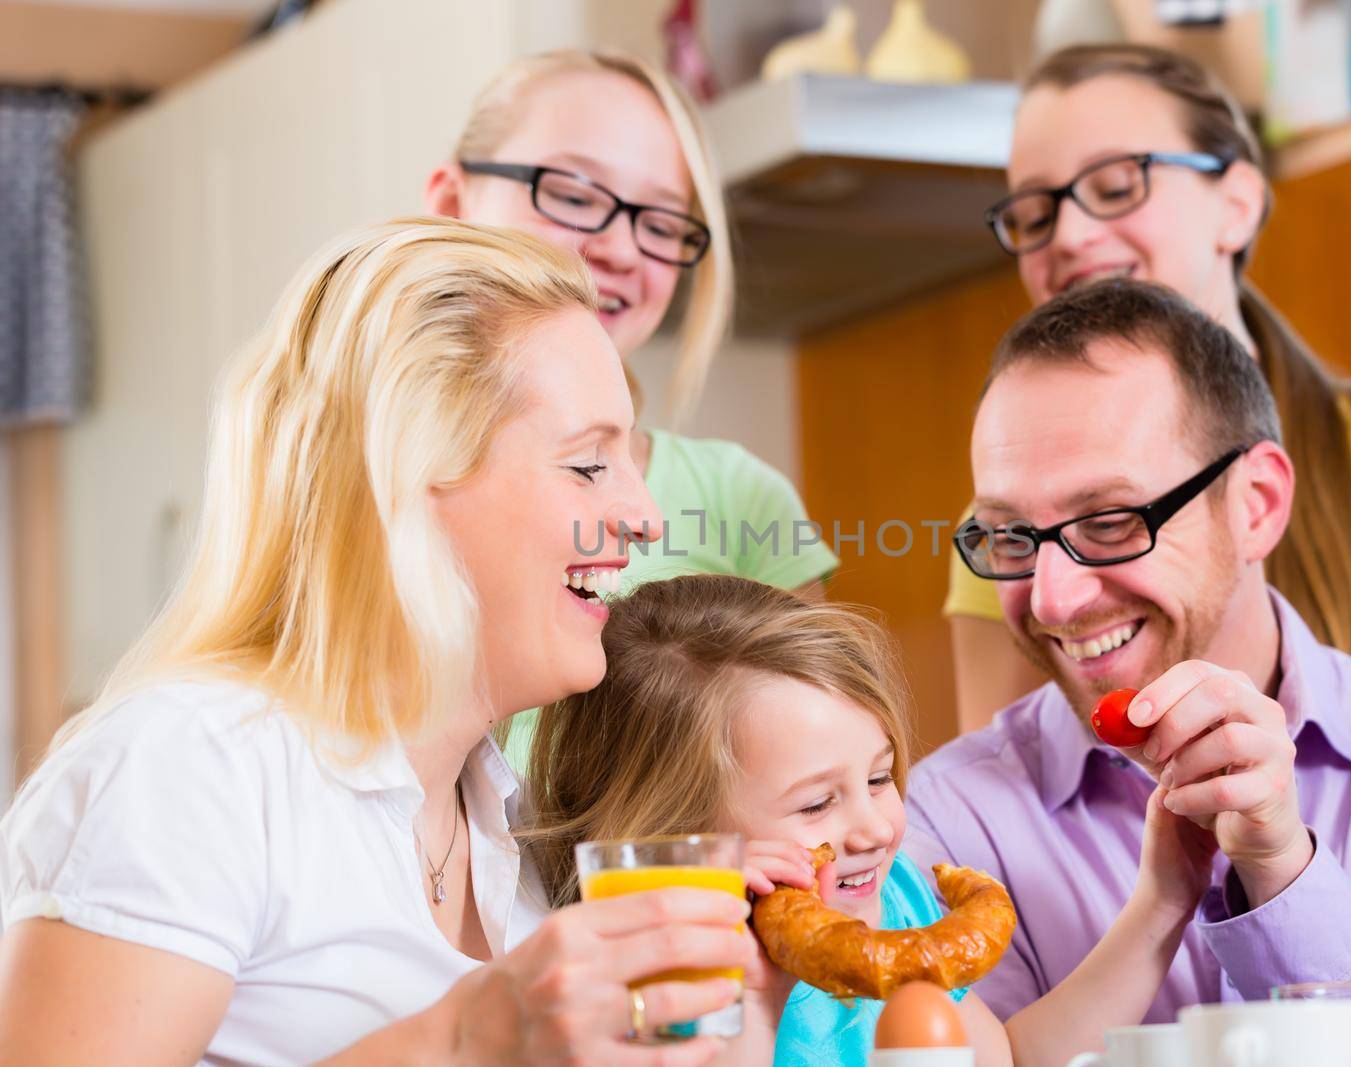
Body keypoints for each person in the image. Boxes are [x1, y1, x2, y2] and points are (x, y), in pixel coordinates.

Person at [0, 218, 761, 1066]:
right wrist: (465, 1037)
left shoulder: (512, 820)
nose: (646, 517)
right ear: (405, 473)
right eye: (588, 464)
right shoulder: (193, 766)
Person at [943, 44, 1351, 848]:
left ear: (1239, 203)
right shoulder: (1022, 539)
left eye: (1116, 187)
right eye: (1034, 213)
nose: (1070, 234)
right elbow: (1013, 821)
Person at [910, 279, 1351, 1024]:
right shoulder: (942, 823)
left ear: (1255, 504)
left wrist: (1281, 866)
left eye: (1109, 520)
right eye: (1010, 536)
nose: (1051, 600)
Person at [523, 572, 1221, 1066]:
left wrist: (1163, 899)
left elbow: (1004, 1060)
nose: (874, 827)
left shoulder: (897, 903)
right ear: (677, 839)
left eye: (880, 777)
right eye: (817, 802)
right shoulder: (653, 964)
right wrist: (760, 996)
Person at [423, 51, 838, 771]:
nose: (617, 247)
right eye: (576, 194)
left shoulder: (741, 502)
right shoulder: (356, 477)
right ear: (453, 202)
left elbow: (812, 786)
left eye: (661, 220)